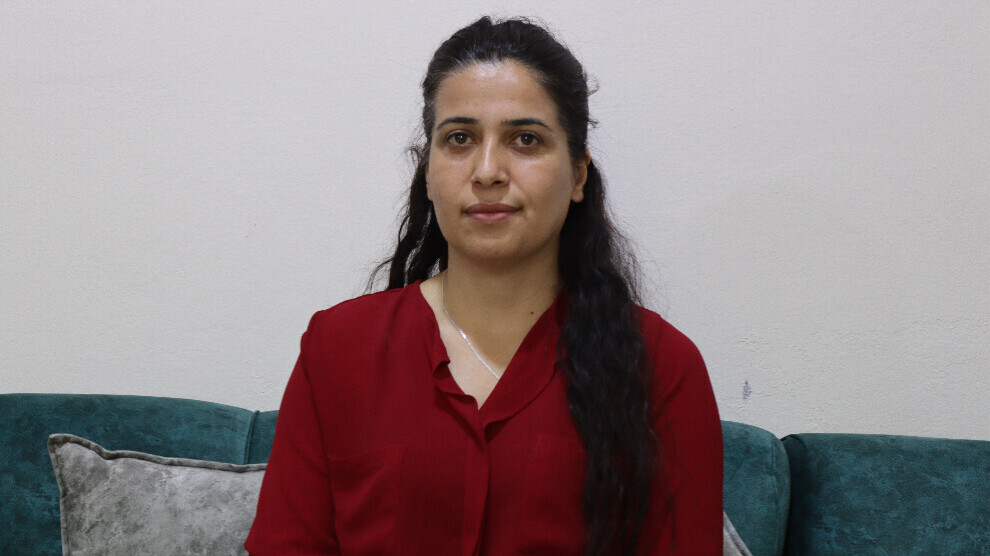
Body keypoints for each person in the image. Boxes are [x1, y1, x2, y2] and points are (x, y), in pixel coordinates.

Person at [245, 16, 722, 555]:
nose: (488, 170)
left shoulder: (662, 367)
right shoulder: (338, 348)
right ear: (428, 172)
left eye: (525, 139)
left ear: (578, 175)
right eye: (460, 139)